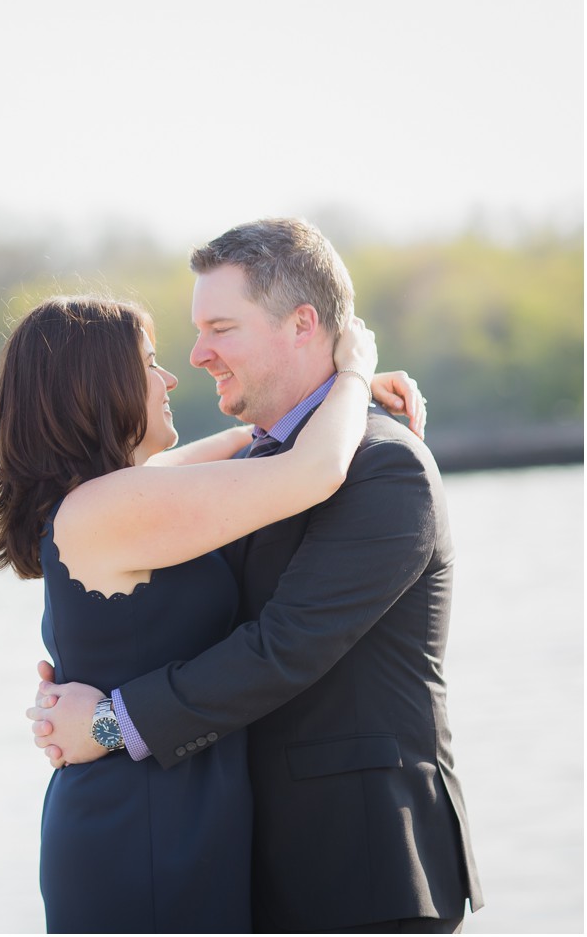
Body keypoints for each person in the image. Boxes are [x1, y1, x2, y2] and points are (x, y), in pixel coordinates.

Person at [25, 219, 480, 933]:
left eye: (221, 327)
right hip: (220, 852)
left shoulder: (384, 465)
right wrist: (349, 379)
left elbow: (284, 645)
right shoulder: (226, 480)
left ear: (303, 324)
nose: (194, 355)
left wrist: (111, 721)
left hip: (361, 865)